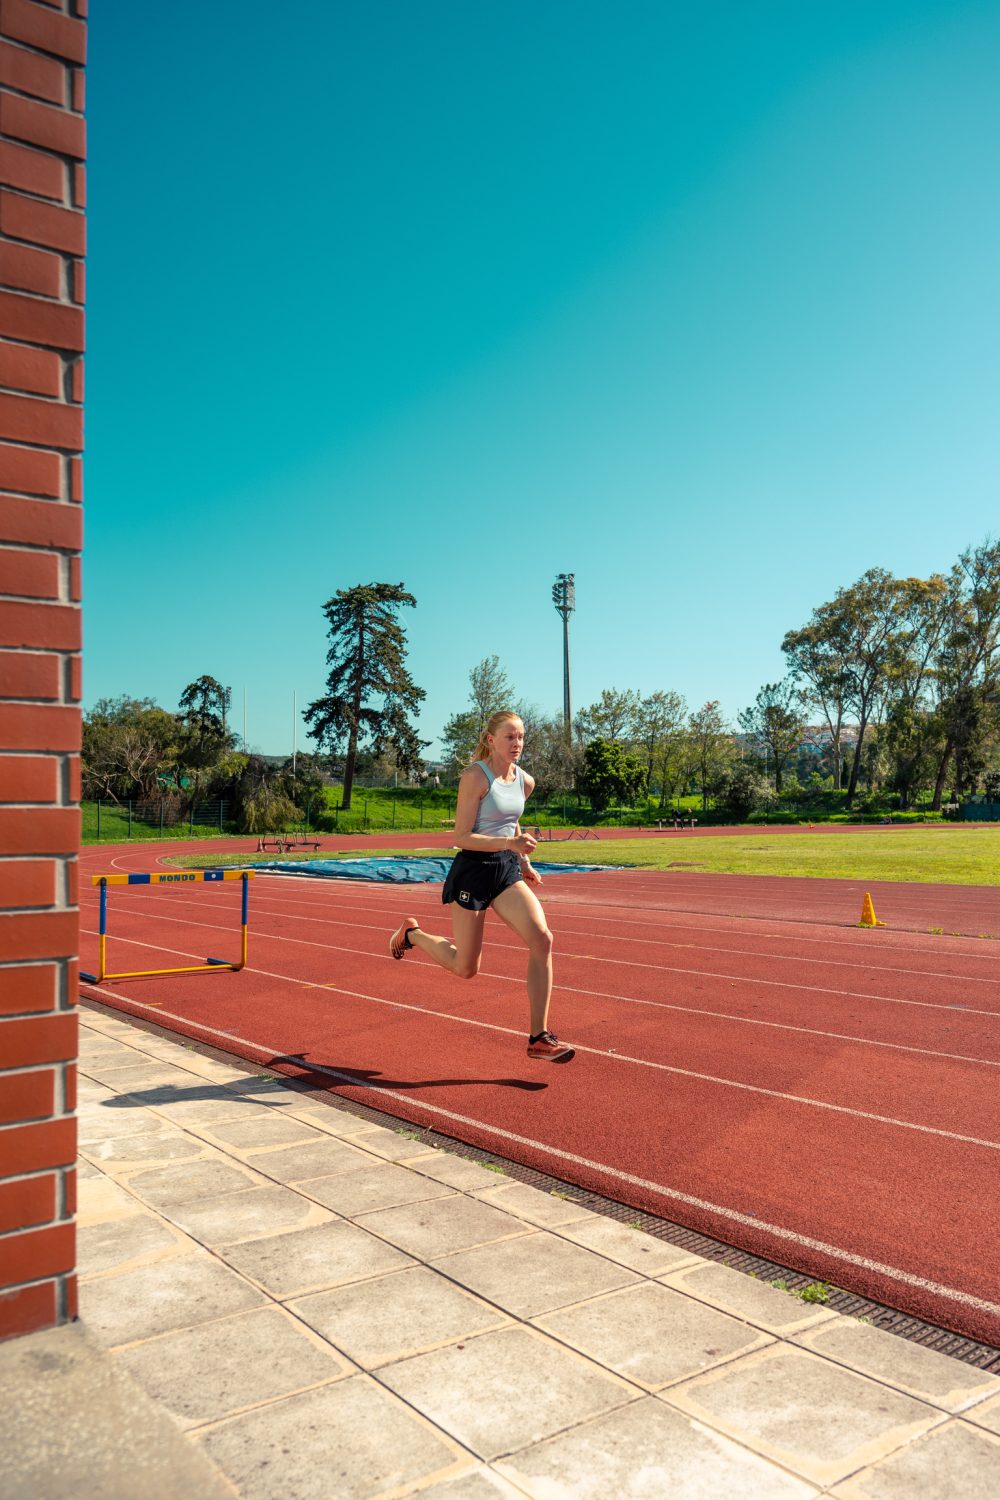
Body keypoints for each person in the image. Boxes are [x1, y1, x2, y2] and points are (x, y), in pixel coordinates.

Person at [389, 710, 574, 1062]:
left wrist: (525, 862)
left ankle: (539, 1036)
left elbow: (511, 823)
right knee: (466, 967)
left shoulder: (525, 781)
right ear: (491, 740)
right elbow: (461, 837)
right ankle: (412, 934)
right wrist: (510, 846)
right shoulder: (476, 777)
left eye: (520, 736)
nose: (517, 743)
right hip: (473, 870)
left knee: (543, 939)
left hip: (505, 871)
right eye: (509, 736)